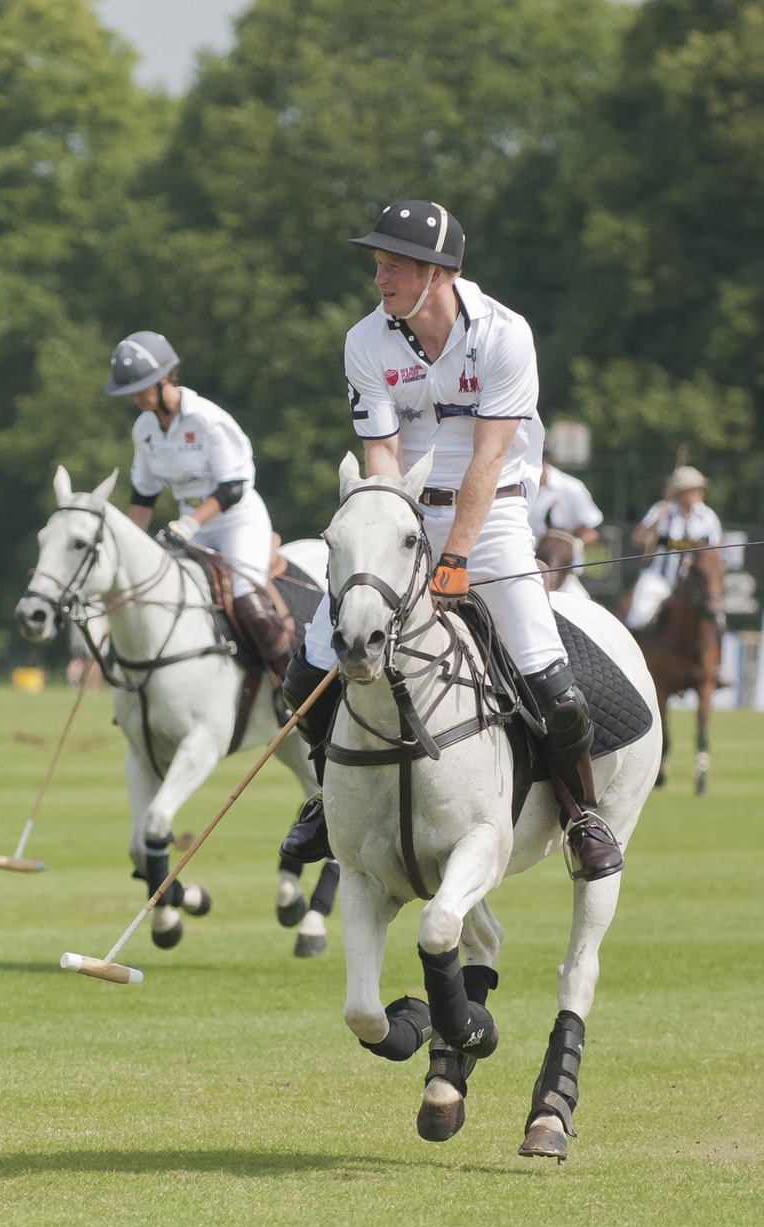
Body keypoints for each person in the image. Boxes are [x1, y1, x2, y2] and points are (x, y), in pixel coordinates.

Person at [279, 200, 623, 882]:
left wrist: (457, 557)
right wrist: (386, 534)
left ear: (435, 273)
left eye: (392, 266)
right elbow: (381, 454)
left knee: (554, 690)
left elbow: (488, 459)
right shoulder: (366, 340)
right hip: (403, 518)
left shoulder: (504, 334)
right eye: (378, 265)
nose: (379, 279)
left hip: (491, 520)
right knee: (309, 673)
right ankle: (326, 800)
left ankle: (582, 816)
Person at [103, 331, 291, 677]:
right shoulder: (144, 429)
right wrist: (127, 547)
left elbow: (233, 487)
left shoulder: (207, 419)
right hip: (189, 527)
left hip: (237, 523)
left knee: (247, 601)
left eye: (140, 388)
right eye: (129, 391)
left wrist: (189, 524)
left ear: (164, 379)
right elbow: (144, 495)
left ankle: (292, 685)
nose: (135, 398)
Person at [625, 466, 722, 630]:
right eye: (693, 489)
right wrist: (655, 521)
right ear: (680, 492)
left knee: (717, 623)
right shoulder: (661, 510)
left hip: (693, 586)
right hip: (660, 579)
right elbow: (637, 539)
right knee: (638, 619)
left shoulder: (708, 517)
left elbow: (715, 553)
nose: (699, 492)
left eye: (700, 489)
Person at [530, 441, 603, 597]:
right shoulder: (513, 485)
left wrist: (575, 544)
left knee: (582, 604)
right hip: (522, 569)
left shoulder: (571, 488)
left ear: (545, 458)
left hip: (562, 574)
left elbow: (593, 531)